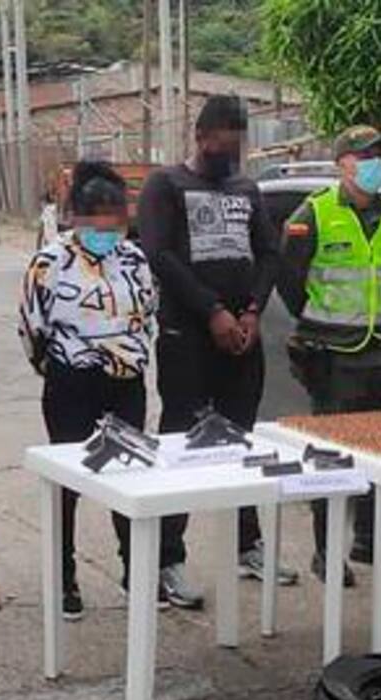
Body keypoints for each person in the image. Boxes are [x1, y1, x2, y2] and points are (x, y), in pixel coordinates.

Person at [137, 94, 299, 605]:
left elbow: (270, 254)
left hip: (241, 339)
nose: (227, 155)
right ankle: (167, 559)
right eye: (220, 145)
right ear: (200, 136)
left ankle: (246, 544)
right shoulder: (166, 185)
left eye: (237, 146)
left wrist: (250, 310)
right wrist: (212, 311)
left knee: (239, 444)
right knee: (182, 442)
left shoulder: (246, 188)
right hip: (188, 337)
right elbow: (159, 254)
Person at [276, 124, 381, 586]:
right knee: (331, 459)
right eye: (364, 155)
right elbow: (289, 278)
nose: (375, 162)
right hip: (333, 354)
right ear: (343, 164)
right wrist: (319, 320)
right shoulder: (314, 213)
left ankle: (372, 541)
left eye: (379, 154)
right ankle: (324, 551)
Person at [18, 161, 157, 620]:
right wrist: (64, 368)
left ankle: (137, 572)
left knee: (130, 477)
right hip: (72, 383)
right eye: (94, 217)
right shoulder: (49, 264)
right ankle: (64, 579)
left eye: (113, 217)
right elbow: (31, 328)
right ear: (75, 216)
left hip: (127, 384)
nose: (104, 227)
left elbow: (148, 314)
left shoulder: (135, 258)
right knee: (67, 485)